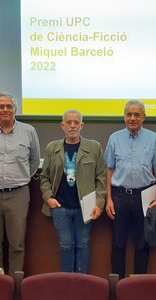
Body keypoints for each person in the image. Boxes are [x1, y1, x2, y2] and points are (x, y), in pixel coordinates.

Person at [0, 92, 41, 275]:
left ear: (15, 109)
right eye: (1, 106)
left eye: (9, 106)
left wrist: (21, 178)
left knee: (17, 244)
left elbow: (35, 160)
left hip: (18, 194)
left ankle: (15, 285)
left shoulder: (28, 131)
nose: (5, 109)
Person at [104, 99, 156, 279]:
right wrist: (108, 198)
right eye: (129, 114)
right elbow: (109, 169)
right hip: (119, 196)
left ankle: (139, 286)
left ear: (144, 117)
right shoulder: (114, 138)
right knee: (118, 244)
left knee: (142, 244)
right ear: (124, 117)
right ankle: (117, 286)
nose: (132, 118)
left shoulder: (154, 139)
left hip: (145, 196)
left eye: (137, 114)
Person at [40, 109, 107, 273]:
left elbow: (101, 178)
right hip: (60, 207)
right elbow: (44, 177)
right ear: (62, 126)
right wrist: (48, 197)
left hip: (85, 207)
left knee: (83, 243)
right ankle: (67, 281)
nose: (72, 126)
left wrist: (99, 203)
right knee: (65, 244)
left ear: (82, 125)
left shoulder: (94, 147)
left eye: (76, 122)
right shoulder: (52, 148)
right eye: (68, 122)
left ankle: (82, 281)